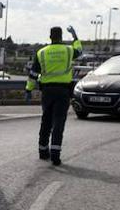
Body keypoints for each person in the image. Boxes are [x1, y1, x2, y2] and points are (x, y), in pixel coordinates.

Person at [25, 25, 83, 166]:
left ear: (50, 36)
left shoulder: (42, 53)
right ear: (62, 36)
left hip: (47, 91)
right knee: (59, 122)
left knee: (46, 120)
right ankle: (55, 155)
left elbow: (33, 74)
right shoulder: (68, 51)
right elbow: (80, 51)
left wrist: (29, 89)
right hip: (63, 91)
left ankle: (43, 151)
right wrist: (75, 37)